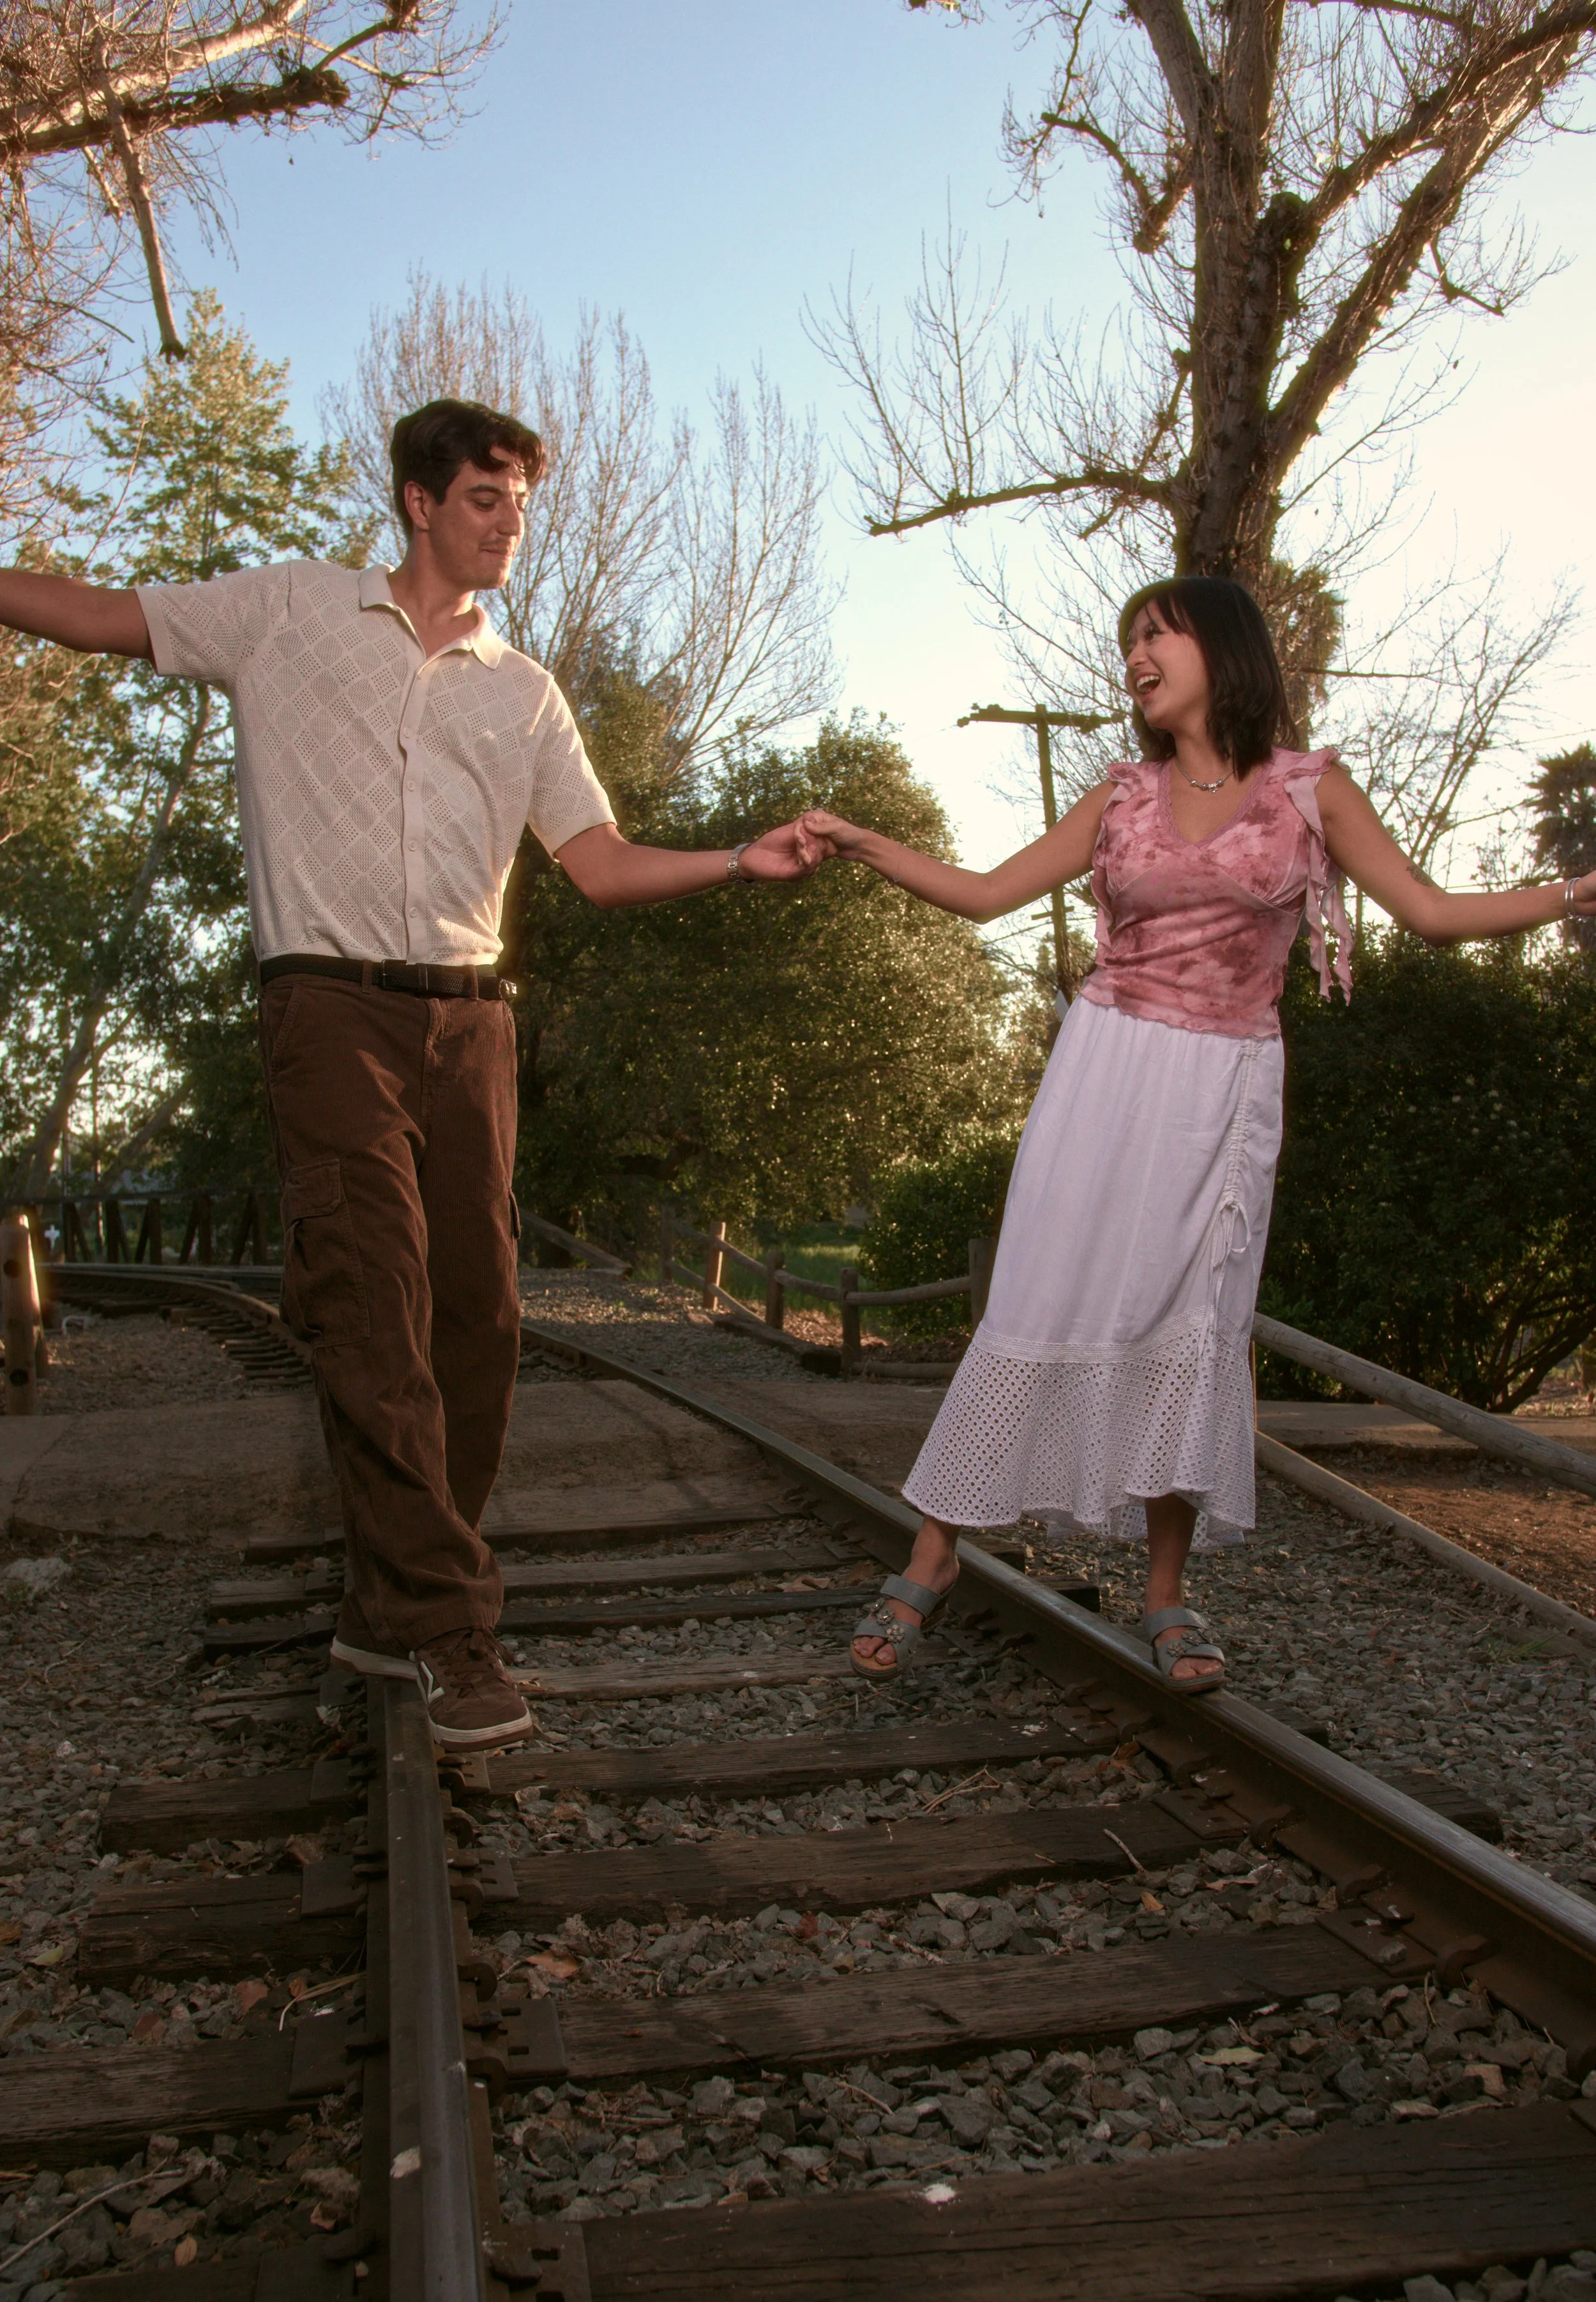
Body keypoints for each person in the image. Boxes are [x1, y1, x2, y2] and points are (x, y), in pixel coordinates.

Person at [0, 397, 825, 1750]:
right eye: (487, 499)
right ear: (418, 502)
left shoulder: (526, 691)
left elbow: (600, 865)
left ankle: (389, 1603)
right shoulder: (287, 613)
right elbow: (100, 614)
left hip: (469, 1026)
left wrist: (743, 857)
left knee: (480, 1324)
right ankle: (447, 1634)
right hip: (326, 1008)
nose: (509, 526)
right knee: (371, 1306)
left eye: (519, 504)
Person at [802, 576, 1596, 1693]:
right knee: (1039, 1293)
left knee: (1189, 1318)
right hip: (1102, 1066)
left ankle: (1167, 1592)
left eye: (1156, 631)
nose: (1135, 651)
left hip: (1223, 1090)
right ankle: (934, 1555)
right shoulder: (1121, 795)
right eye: (1128, 636)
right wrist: (858, 840)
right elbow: (985, 894)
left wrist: (1572, 895)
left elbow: (1429, 912)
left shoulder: (1310, 790)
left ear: (1222, 648)